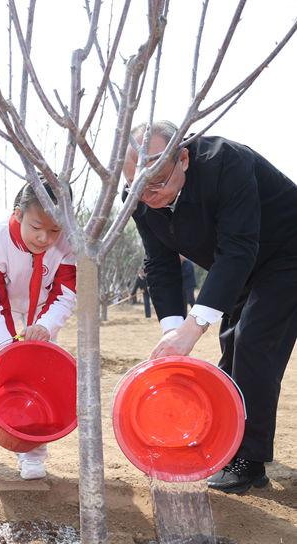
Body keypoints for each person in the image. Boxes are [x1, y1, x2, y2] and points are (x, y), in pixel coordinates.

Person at [123, 119, 297, 494]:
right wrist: (172, 327)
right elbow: (160, 261)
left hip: (286, 251)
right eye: (137, 186)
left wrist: (193, 325)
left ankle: (248, 461)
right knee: (233, 344)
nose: (148, 195)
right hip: (241, 264)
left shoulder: (226, 163)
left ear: (183, 158)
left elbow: (238, 249)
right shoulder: (139, 197)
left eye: (157, 182)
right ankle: (228, 438)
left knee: (254, 341)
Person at [0, 176, 77, 479]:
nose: (45, 238)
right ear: (17, 214)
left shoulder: (70, 242)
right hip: (0, 310)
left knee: (39, 376)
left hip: (43, 313)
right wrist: (7, 346)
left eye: (54, 230)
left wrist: (45, 325)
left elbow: (65, 292)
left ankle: (32, 452)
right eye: (36, 227)